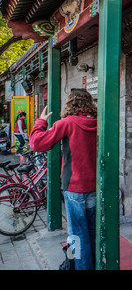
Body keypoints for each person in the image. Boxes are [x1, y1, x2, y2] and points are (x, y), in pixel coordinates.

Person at [30, 89, 97, 270]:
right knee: (92, 231)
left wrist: (41, 122)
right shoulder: (99, 122)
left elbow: (37, 143)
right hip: (94, 186)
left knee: (77, 234)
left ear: (70, 104)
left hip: (74, 187)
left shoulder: (66, 123)